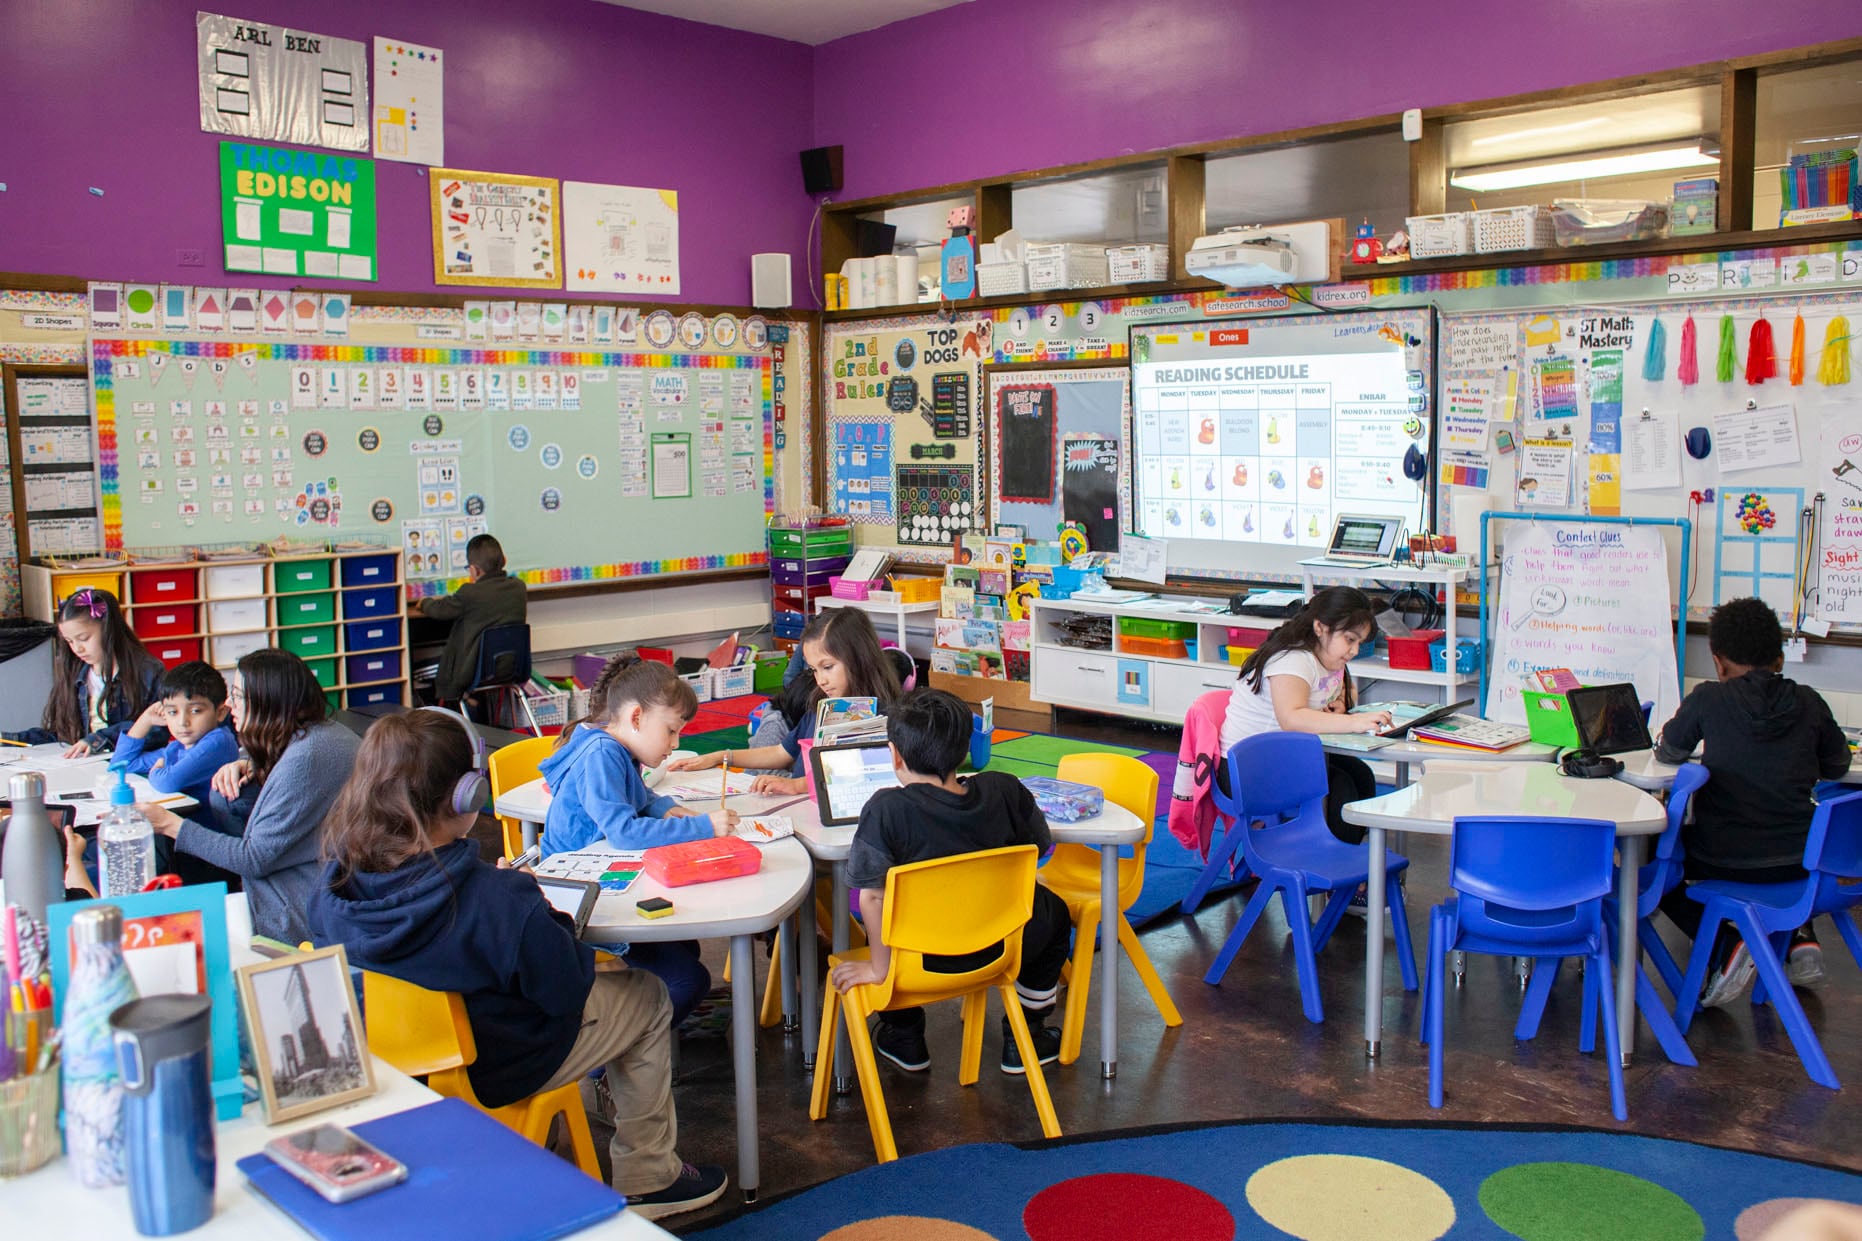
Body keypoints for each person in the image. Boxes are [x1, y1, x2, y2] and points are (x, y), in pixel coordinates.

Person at [307, 711, 727, 1220]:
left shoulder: (334, 886)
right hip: (495, 1068)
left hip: (389, 1072)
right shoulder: (496, 899)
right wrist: (541, 913)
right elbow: (566, 992)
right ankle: (650, 1177)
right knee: (647, 996)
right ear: (466, 796)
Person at [830, 687, 1068, 1075]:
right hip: (999, 948)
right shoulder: (1004, 789)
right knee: (1053, 912)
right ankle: (1026, 1031)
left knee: (885, 918)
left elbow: (870, 899)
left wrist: (878, 969)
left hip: (920, 962)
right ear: (966, 748)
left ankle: (905, 1035)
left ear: (895, 754)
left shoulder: (886, 809)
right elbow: (1038, 850)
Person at [1654, 597, 1850, 1007]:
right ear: (1779, 660)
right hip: (1801, 861)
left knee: (1655, 866)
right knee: (1787, 821)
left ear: (1718, 661)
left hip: (1723, 857)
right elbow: (1838, 766)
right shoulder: (1809, 701)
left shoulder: (1708, 699)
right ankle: (1798, 934)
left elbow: (1669, 750)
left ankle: (1728, 941)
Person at [538, 656, 732, 1026]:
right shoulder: (601, 754)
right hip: (575, 903)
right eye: (671, 731)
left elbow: (638, 796)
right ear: (637, 717)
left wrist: (666, 810)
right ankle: (611, 1049)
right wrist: (704, 826)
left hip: (601, 881)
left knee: (685, 946)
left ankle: (641, 1037)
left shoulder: (617, 749)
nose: (675, 744)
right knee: (689, 980)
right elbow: (624, 831)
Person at [136, 649, 359, 945]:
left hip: (299, 907)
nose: (229, 704)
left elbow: (253, 859)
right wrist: (251, 762)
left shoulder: (307, 758)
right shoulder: (317, 734)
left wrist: (169, 825)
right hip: (312, 886)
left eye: (238, 696)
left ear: (269, 701)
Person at [668, 609, 902, 797]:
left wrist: (797, 785)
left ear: (858, 658)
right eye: (813, 670)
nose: (820, 680)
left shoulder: (884, 716)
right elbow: (782, 752)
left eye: (828, 667)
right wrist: (720, 756)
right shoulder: (822, 704)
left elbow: (862, 777)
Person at [1221, 586, 1390, 844]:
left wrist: (1343, 704)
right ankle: (1330, 863)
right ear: (1320, 627)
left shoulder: (1329, 656)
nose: (1355, 650)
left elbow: (1343, 688)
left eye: (1359, 642)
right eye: (1350, 639)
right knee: (1341, 787)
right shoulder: (1293, 660)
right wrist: (1352, 721)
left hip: (1284, 757)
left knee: (1360, 775)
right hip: (1247, 769)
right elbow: (1292, 718)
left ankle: (1348, 859)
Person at [8, 588, 163, 758]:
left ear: (108, 629)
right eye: (70, 641)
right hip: (87, 765)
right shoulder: (75, 674)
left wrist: (99, 739)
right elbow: (62, 735)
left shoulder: (147, 672)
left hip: (131, 764)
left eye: (83, 638)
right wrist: (10, 739)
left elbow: (159, 729)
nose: (77, 648)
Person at [410, 533, 528, 706]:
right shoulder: (518, 587)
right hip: (511, 668)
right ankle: (469, 701)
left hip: (474, 672)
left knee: (416, 672)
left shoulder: (469, 593)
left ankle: (451, 712)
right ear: (504, 560)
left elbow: (440, 610)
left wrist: (424, 602)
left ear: (474, 570)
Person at [110, 660, 240, 810]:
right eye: (173, 712)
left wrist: (156, 772)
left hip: (204, 829)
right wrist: (145, 720)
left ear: (221, 713)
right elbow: (121, 765)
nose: (182, 722)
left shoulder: (219, 741)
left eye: (196, 711)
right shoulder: (178, 747)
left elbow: (168, 782)